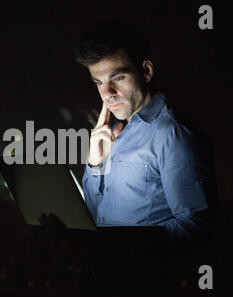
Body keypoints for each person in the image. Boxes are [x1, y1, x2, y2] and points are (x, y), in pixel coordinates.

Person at [75, 21, 217, 248]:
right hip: (103, 276)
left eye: (117, 78)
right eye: (98, 82)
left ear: (146, 71)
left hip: (144, 280)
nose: (107, 94)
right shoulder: (113, 134)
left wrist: (117, 243)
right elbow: (97, 217)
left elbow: (196, 226)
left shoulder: (172, 134)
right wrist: (94, 165)